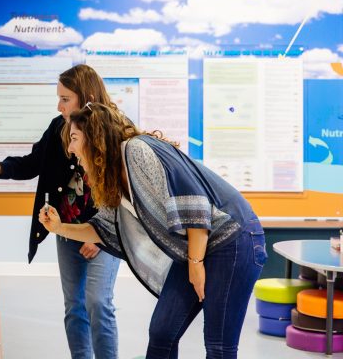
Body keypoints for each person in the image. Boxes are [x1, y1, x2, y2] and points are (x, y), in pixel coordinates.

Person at [39, 103, 267, 359]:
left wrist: (195, 263)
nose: (70, 148)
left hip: (234, 239)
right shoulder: (115, 175)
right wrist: (59, 227)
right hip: (195, 246)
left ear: (95, 138)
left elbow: (195, 202)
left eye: (74, 138)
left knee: (218, 345)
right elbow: (101, 229)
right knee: (162, 332)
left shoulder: (136, 150)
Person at [0, 65, 121, 359]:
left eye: (65, 99)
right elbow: (32, 162)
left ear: (86, 96)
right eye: (59, 98)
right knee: (74, 305)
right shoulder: (58, 128)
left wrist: (99, 237)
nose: (58, 105)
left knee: (98, 302)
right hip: (66, 230)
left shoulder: (116, 131)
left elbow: (121, 193)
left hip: (105, 234)